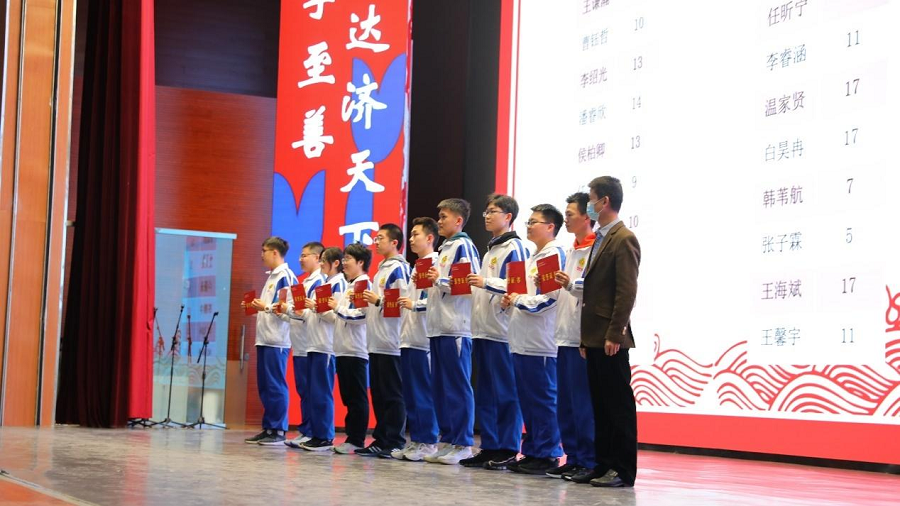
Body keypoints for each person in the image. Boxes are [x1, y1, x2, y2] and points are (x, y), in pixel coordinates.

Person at [575, 176, 640, 488]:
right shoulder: (600, 237)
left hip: (611, 337)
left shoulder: (623, 238)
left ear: (605, 201)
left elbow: (626, 292)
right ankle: (602, 464)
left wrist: (615, 333)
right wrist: (585, 338)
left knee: (618, 406)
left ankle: (622, 469)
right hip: (594, 336)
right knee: (600, 405)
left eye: (591, 198)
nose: (589, 204)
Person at [463, 194, 528, 470]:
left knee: (506, 392)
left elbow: (519, 284)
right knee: (486, 392)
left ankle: (509, 447)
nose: (487, 216)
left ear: (508, 217)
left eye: (493, 211)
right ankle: (489, 445)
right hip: (483, 329)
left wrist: (486, 282)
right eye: (486, 212)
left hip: (502, 331)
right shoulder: (490, 250)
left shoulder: (515, 247)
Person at [501, 204, 567, 474]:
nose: (528, 226)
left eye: (534, 222)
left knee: (543, 400)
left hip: (541, 342)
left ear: (550, 227)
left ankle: (548, 453)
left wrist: (518, 300)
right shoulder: (531, 257)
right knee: (528, 399)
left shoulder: (554, 255)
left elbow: (550, 300)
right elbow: (524, 294)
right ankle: (532, 451)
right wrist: (510, 300)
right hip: (523, 340)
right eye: (527, 222)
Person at [424, 198, 481, 465]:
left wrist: (440, 280)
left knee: (457, 386)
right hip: (438, 327)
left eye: (444, 216)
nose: (439, 221)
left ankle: (463, 443)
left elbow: (467, 283)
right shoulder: (444, 249)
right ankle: (448, 439)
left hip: (456, 327)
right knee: (441, 387)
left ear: (458, 221)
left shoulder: (463, 246)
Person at [547, 193, 596, 480]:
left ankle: (589, 460)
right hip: (563, 335)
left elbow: (597, 289)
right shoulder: (570, 251)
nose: (565, 219)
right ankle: (573, 456)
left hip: (582, 337)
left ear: (586, 216)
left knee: (582, 403)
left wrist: (571, 284)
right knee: (565, 404)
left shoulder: (596, 249)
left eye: (570, 214)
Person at [357, 224, 411, 458]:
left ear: (394, 243)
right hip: (376, 340)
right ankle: (381, 439)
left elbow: (402, 303)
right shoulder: (381, 269)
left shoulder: (399, 269)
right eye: (376, 238)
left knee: (392, 394)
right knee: (379, 393)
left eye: (380, 238)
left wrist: (378, 301)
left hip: (391, 341)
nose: (376, 242)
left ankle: (395, 440)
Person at [393, 218, 441, 461]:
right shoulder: (417, 266)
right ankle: (417, 441)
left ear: (430, 238)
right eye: (410, 235)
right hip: (409, 337)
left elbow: (434, 300)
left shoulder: (435, 263)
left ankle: (428, 441)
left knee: (422, 392)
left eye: (415, 235)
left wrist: (414, 305)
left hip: (423, 339)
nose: (411, 239)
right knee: (411, 393)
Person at [243, 237, 297, 446]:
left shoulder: (285, 277)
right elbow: (270, 306)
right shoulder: (272, 277)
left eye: (264, 251)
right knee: (265, 386)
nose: (261, 255)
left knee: (275, 384)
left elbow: (286, 308)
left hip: (277, 340)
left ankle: (278, 429)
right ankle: (269, 427)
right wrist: (255, 306)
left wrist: (264, 306)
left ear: (275, 252)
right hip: (265, 338)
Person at [297, 246, 347, 451]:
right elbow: (315, 313)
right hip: (313, 343)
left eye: (324, 259)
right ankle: (316, 434)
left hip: (326, 345)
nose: (321, 263)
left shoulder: (339, 284)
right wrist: (306, 310)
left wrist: (317, 308)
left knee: (322, 393)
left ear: (336, 263)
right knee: (314, 392)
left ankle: (325, 436)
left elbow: (336, 317)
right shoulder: (325, 283)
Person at [330, 243, 373, 454]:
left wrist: (337, 308)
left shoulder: (363, 284)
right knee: (348, 397)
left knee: (356, 397)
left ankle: (356, 439)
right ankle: (351, 437)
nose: (344, 263)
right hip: (343, 348)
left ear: (361, 262)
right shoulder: (350, 285)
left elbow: (362, 316)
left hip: (356, 349)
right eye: (344, 258)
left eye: (348, 259)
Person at [284, 242, 326, 448]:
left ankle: (313, 432)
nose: (301, 259)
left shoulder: (320, 281)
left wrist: (289, 310)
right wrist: (285, 310)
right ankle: (306, 429)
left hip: (312, 343)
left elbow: (307, 312)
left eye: (305, 255)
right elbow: (298, 312)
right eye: (300, 255)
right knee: (304, 390)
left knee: (313, 391)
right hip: (300, 343)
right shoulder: (305, 282)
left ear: (317, 258)